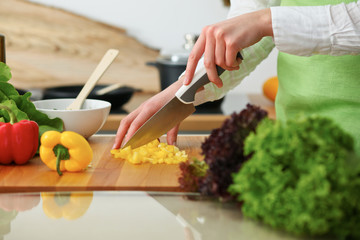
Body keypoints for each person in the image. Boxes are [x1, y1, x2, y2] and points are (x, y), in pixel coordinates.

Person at [113, 0, 360, 155]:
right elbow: (251, 24)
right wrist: (181, 91)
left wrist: (267, 21)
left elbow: (261, 21)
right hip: (295, 138)